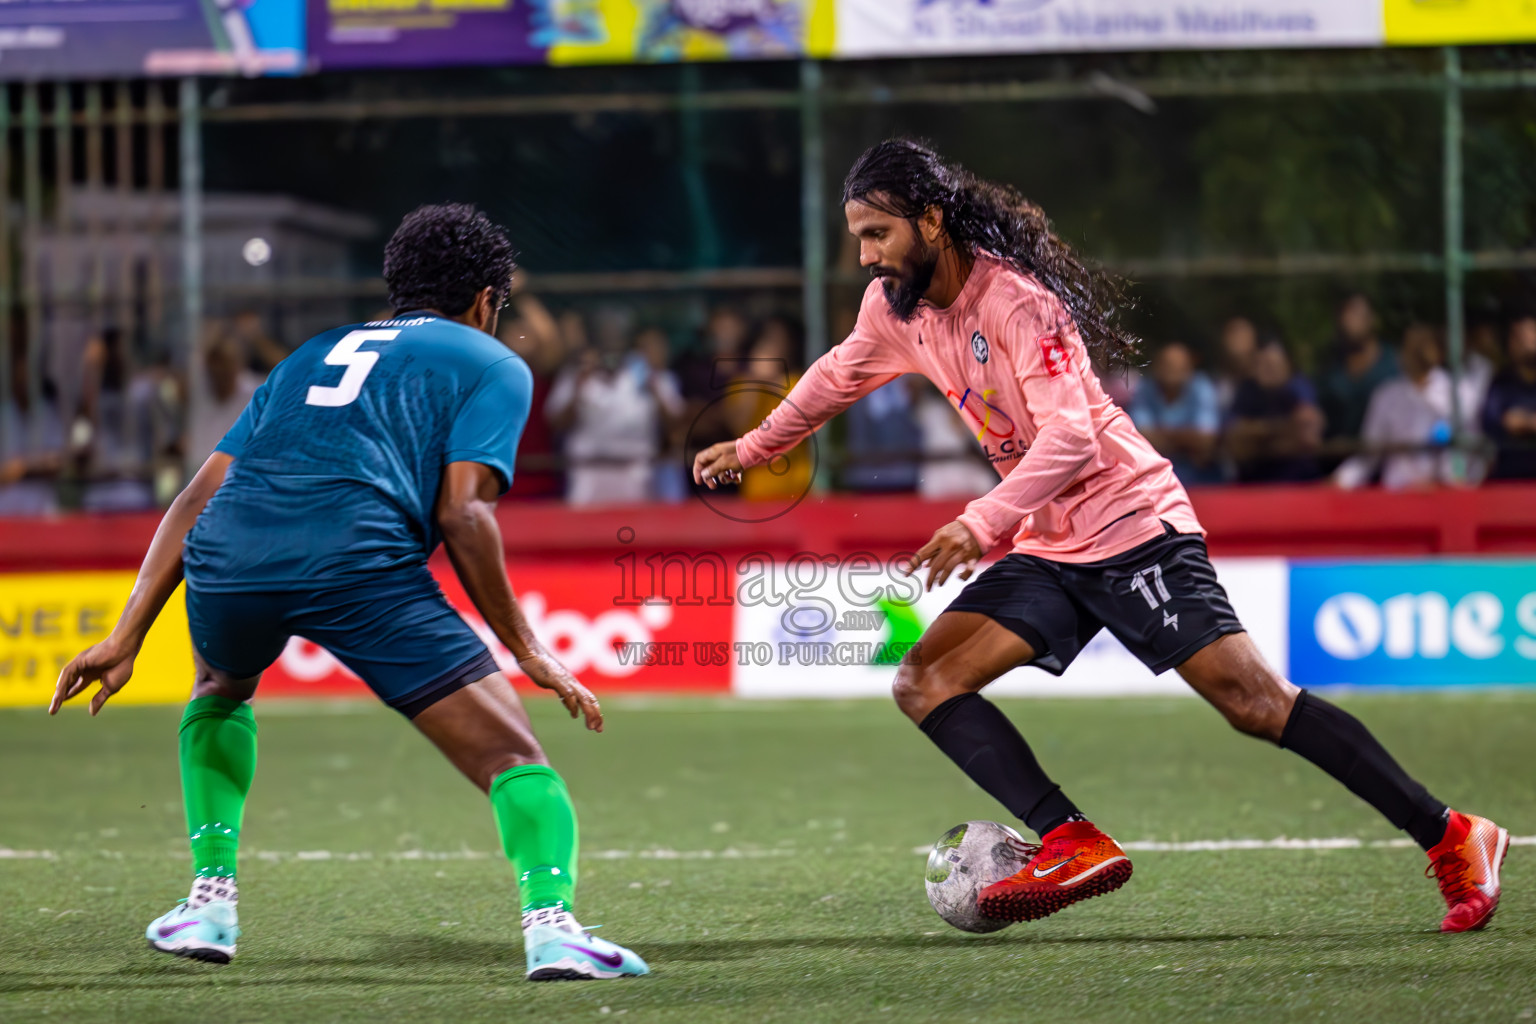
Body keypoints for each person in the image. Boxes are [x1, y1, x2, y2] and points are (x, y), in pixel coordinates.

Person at [693, 140, 1506, 933]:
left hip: (1131, 525)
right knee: (925, 680)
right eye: (858, 239)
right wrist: (756, 446)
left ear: (931, 221)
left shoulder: (1017, 303)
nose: (866, 256)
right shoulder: (894, 310)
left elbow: (1072, 438)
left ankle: (1451, 833)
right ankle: (1070, 839)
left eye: (878, 234)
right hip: (1051, 543)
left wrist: (982, 521)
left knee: (1254, 703)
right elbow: (836, 376)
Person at [48, 204, 648, 981]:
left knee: (221, 689)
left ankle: (209, 903)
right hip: (357, 560)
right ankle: (553, 928)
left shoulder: (312, 354)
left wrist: (126, 635)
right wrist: (529, 650)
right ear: (487, 301)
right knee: (511, 756)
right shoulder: (490, 361)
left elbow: (195, 498)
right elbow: (463, 513)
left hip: (230, 553)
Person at [546, 320, 685, 506]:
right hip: (588, 470)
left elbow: (676, 423)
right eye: (605, 339)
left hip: (635, 471)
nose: (611, 345)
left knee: (633, 530)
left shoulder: (645, 372)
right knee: (584, 532)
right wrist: (578, 388)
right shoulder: (577, 372)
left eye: (617, 338)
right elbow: (556, 423)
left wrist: (654, 386)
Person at [1333, 323, 1480, 491]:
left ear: (1439, 351)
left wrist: (1456, 483)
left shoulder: (1460, 394)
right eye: (1410, 347)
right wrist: (1341, 480)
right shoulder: (1386, 396)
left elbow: (1472, 451)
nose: (1417, 353)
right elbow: (1369, 455)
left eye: (1423, 345)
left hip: (1446, 497)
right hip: (1399, 499)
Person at [1226, 337, 1324, 483]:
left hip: (1296, 479)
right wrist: (1282, 431)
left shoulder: (1298, 388)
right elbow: (1235, 440)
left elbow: (1308, 436)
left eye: (1274, 364)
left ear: (1287, 365)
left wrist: (1259, 435)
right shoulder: (1247, 391)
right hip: (1253, 480)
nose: (1269, 370)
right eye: (1263, 364)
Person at [1127, 342, 1222, 485]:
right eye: (1167, 364)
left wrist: (1161, 438)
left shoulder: (1201, 387)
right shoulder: (1144, 389)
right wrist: (1187, 443)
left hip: (1198, 476)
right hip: (1152, 476)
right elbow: (1139, 438)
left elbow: (1206, 440)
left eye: (1179, 366)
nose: (1172, 370)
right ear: (1157, 366)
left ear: (1189, 367)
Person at [1317, 293, 1399, 446]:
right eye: (1344, 314)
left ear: (1372, 318)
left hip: (1387, 458)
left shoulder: (1394, 364)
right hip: (1338, 461)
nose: (1349, 321)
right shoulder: (1329, 368)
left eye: (1355, 313)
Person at [186, 334, 263, 466]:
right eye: (214, 368)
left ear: (237, 365)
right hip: (196, 469)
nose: (219, 373)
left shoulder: (256, 392)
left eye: (224, 366)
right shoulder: (198, 387)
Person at [1482, 311, 1536, 480]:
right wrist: (1528, 422)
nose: (1525, 343)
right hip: (1510, 479)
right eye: (1518, 338)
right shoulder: (1501, 382)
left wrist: (1520, 421)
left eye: (1530, 337)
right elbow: (1491, 420)